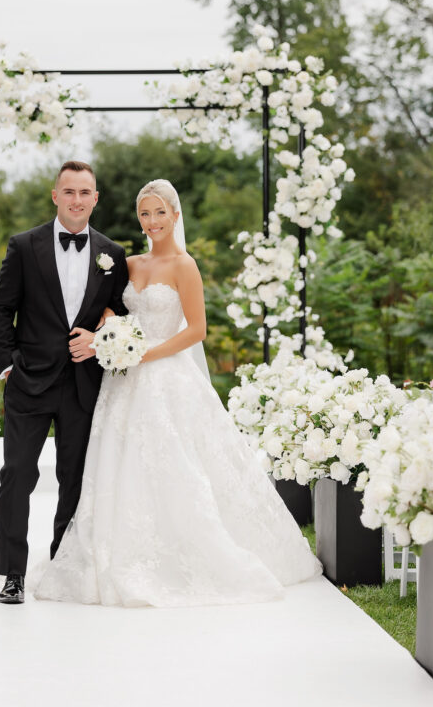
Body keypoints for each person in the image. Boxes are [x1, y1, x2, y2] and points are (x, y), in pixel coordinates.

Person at [33, 178, 322, 607]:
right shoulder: (128, 263)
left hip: (166, 374)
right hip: (123, 377)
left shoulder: (185, 266)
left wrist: (145, 354)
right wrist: (110, 334)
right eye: (145, 214)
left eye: (159, 213)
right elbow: (113, 307)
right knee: (117, 460)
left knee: (178, 462)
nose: (152, 222)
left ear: (175, 215)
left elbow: (197, 330)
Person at [0, 160, 129, 604]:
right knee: (16, 476)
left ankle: (61, 565)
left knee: (75, 480)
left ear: (96, 198)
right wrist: (7, 364)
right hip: (28, 381)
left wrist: (99, 339)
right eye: (68, 192)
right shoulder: (24, 246)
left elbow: (121, 316)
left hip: (84, 384)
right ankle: (13, 574)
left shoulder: (113, 254)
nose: (76, 200)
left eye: (84, 192)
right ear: (55, 196)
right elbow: (0, 309)